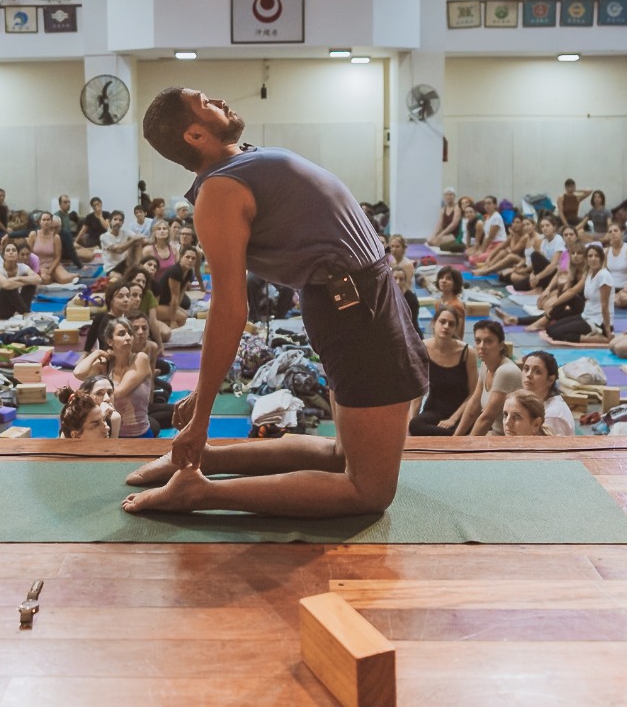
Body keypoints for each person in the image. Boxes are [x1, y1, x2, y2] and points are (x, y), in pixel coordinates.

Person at [122, 87, 428, 518]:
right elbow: (229, 306)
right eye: (206, 101)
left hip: (361, 299)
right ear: (194, 135)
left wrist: (199, 431)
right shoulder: (220, 191)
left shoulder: (239, 161)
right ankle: (199, 492)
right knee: (368, 492)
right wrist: (202, 410)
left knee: (342, 454)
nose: (221, 99)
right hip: (355, 310)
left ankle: (202, 460)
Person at [74, 318, 154, 438]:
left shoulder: (140, 359)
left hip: (140, 434)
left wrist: (98, 395)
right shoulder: (106, 365)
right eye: (122, 334)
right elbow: (78, 373)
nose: (128, 337)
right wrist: (97, 353)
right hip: (112, 433)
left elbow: (119, 393)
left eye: (130, 334)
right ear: (110, 341)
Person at [408, 305, 476, 436]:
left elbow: (473, 394)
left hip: (460, 411)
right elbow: (418, 392)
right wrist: (411, 423)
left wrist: (453, 419)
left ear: (455, 329)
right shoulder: (423, 347)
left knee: (464, 426)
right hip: (434, 410)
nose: (446, 326)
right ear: (433, 323)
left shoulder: (467, 352)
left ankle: (457, 434)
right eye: (442, 321)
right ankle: (456, 437)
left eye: (451, 324)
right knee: (415, 425)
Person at [452, 319, 521, 437]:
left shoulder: (506, 372)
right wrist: (455, 439)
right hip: (495, 433)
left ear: (500, 345)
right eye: (478, 341)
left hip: (509, 438)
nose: (482, 346)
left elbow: (487, 418)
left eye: (488, 341)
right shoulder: (486, 364)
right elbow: (474, 405)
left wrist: (467, 447)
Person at [518, 350, 575, 438]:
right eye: (526, 369)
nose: (528, 374)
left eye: (537, 372)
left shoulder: (552, 416)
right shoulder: (536, 402)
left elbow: (553, 450)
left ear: (550, 380)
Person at [0, 243, 42, 320]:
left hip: (16, 304)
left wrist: (18, 278)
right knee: (9, 286)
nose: (11, 252)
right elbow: (5, 285)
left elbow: (38, 279)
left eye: (13, 250)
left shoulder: (23, 267)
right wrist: (21, 281)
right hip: (0, 308)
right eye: (8, 250)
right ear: (4, 256)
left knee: (30, 283)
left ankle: (21, 312)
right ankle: (25, 312)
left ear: (17, 255)